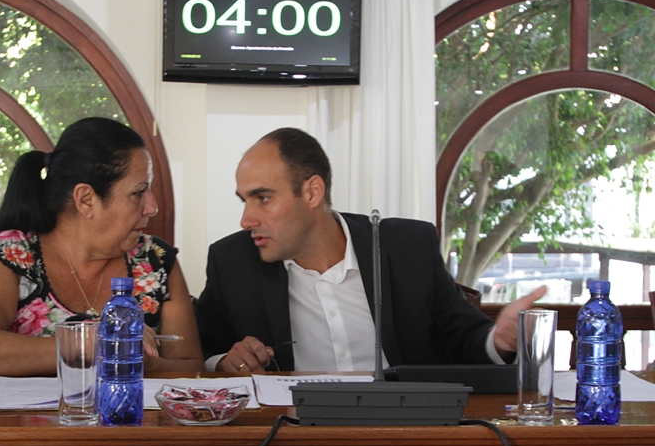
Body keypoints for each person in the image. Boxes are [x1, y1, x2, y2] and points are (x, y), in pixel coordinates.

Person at [196, 127, 546, 373]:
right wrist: (224, 362)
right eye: (245, 200)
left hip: (404, 437)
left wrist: (498, 340)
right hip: (293, 442)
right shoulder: (233, 262)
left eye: (263, 198)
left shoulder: (406, 248)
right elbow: (201, 351)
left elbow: (463, 339)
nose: (246, 219)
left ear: (312, 192)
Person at [0, 117, 204, 376]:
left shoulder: (156, 260)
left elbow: (191, 367)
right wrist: (94, 345)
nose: (152, 207)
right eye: (138, 193)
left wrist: (147, 363)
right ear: (86, 200)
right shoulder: (12, 255)